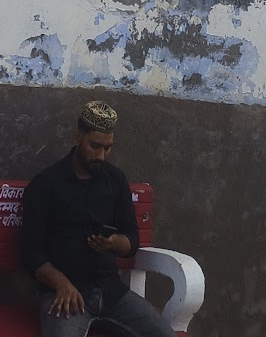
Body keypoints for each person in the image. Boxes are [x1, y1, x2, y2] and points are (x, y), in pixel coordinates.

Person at [21, 100, 175, 337]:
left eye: (108, 148)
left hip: (111, 291)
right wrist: (61, 283)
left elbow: (131, 241)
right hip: (65, 294)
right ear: (77, 138)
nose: (101, 156)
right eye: (95, 146)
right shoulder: (46, 185)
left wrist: (113, 243)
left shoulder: (115, 180)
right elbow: (31, 253)